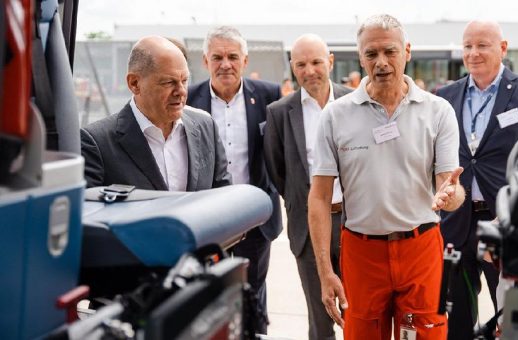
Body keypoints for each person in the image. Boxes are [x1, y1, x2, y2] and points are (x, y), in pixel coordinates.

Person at [308, 14, 465, 339]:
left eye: (390, 52)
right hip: (362, 254)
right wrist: (325, 272)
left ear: (407, 51)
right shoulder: (336, 115)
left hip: (420, 249)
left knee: (425, 335)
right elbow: (320, 197)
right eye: (371, 54)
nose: (381, 62)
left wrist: (451, 195)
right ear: (360, 56)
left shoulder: (438, 112)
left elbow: (450, 186)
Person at [435, 20, 518, 340]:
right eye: (467, 46)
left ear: (502, 48)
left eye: (482, 45)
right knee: (456, 316)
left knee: (510, 312)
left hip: (502, 223)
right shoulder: (445, 96)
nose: (473, 53)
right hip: (456, 223)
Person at [186, 26, 282, 334]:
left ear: (244, 60)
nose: (225, 64)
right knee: (207, 292)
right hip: (206, 218)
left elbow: (281, 151)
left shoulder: (269, 95)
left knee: (252, 288)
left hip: (254, 216)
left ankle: (255, 332)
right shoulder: (188, 98)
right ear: (205, 61)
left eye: (232, 57)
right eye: (217, 57)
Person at [264, 33, 351, 340]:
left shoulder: (355, 102)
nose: (309, 70)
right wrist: (309, 203)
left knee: (361, 312)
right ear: (293, 67)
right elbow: (278, 172)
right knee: (320, 317)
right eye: (301, 64)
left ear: (330, 62)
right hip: (310, 226)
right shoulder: (278, 112)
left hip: (356, 223)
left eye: (316, 62)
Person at [81, 36, 231, 191]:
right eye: (168, 82)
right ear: (134, 83)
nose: (181, 91)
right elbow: (88, 212)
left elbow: (224, 198)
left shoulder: (206, 126)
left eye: (185, 80)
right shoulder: (96, 143)